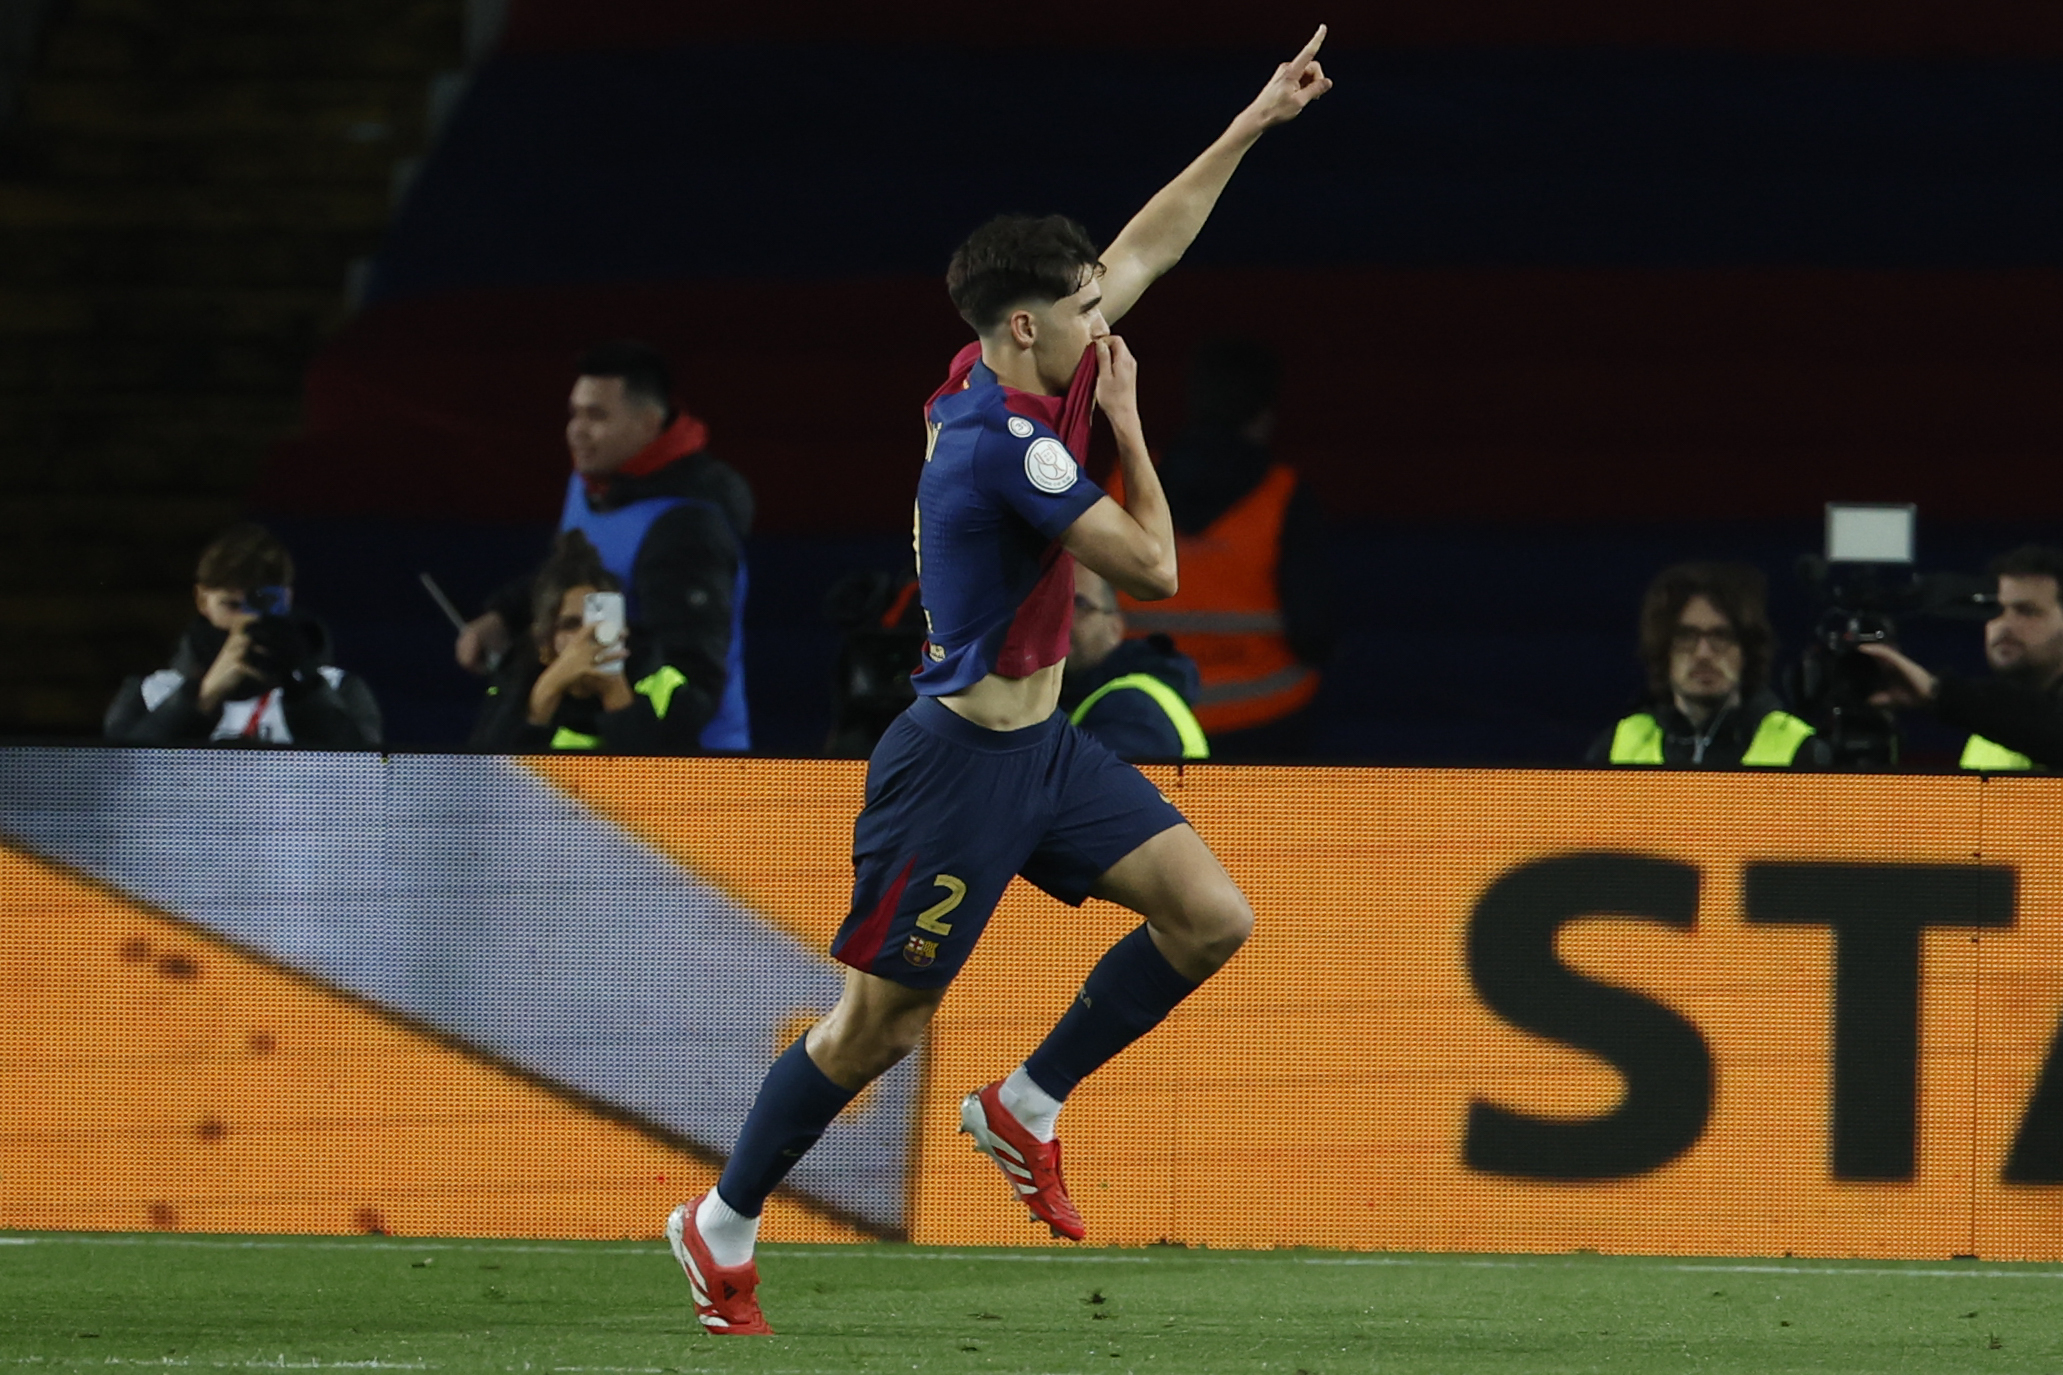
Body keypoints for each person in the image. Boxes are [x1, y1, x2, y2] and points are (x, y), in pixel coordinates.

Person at [662, 30, 1332, 1337]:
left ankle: (1024, 1102)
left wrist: (1252, 119)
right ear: (1024, 325)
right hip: (957, 767)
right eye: (1086, 311)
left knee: (1208, 917)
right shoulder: (997, 446)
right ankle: (722, 1215)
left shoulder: (1021, 355)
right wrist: (1134, 425)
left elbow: (1150, 242)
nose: (1109, 318)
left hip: (1043, 750)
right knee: (873, 1032)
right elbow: (1147, 562)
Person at [454, 341, 753, 750]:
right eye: (574, 413)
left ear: (649, 424)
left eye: (596, 416)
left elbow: (695, 680)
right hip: (594, 747)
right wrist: (505, 614)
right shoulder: (589, 484)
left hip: (687, 767)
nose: (576, 430)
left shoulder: (688, 525)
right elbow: (570, 572)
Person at [1116, 336, 1333, 757]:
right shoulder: (1284, 496)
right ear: (1266, 412)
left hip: (1147, 716)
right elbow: (1315, 628)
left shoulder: (1125, 482)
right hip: (1267, 718)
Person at [104, 523, 381, 747]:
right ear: (202, 600)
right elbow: (117, 782)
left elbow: (363, 780)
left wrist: (303, 691)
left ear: (287, 599)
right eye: (232, 605)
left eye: (263, 604)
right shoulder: (151, 693)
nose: (247, 622)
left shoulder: (340, 689)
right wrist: (201, 699)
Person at [468, 531, 703, 754]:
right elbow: (488, 785)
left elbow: (666, 789)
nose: (586, 637)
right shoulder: (514, 684)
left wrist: (615, 693)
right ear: (545, 642)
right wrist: (546, 692)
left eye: (599, 623)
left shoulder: (664, 685)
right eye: (571, 625)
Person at [1587, 562, 1830, 769]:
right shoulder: (1617, 746)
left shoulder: (1799, 749)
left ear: (1746, 651)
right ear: (1663, 649)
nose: (1703, 653)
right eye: (1686, 636)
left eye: (1720, 637)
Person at [1859, 545, 2063, 770]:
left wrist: (1937, 691)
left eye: (2027, 611)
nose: (2004, 625)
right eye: (1996, 609)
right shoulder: (1991, 728)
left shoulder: (1995, 716)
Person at [1061, 565, 1208, 761]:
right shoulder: (1076, 698)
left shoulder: (1133, 705)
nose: (1060, 618)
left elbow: (1089, 784)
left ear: (1115, 627)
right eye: (1048, 604)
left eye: (1079, 604)